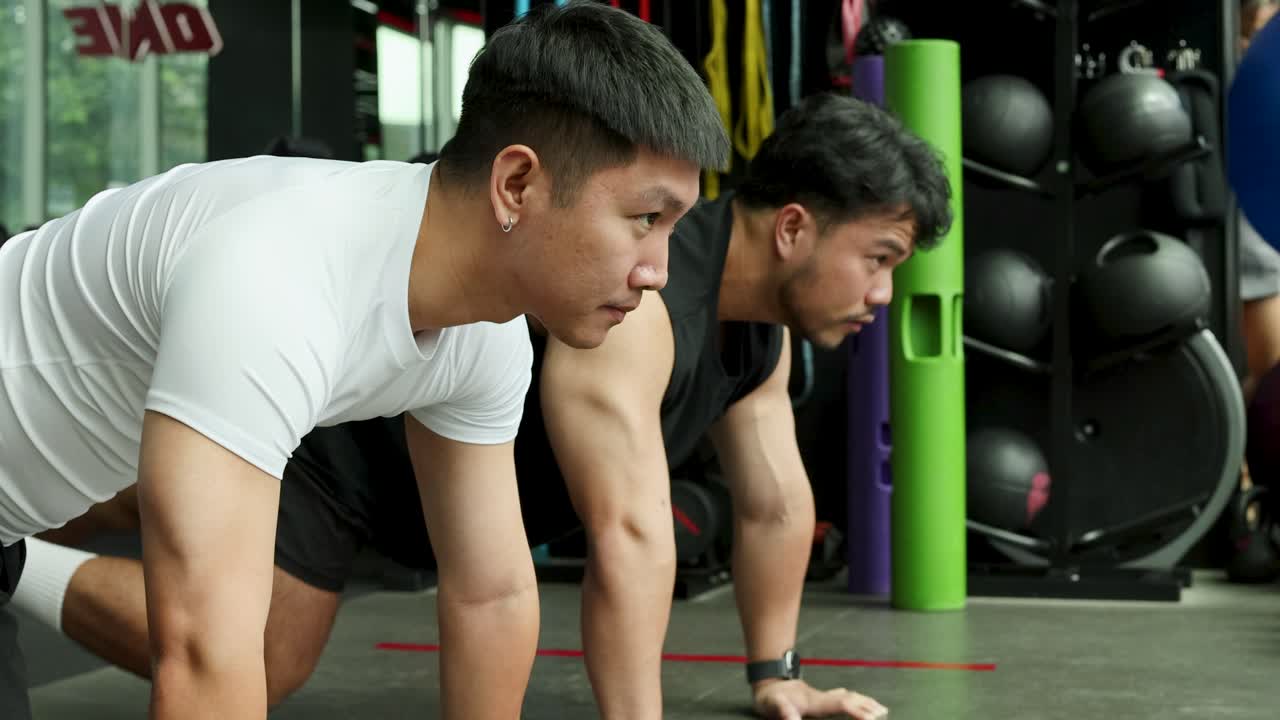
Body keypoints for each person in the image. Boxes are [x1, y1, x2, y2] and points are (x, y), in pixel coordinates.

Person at [20, 91, 949, 719]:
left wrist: (775, 674)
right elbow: (629, 534)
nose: (880, 297)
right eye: (880, 261)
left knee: (106, 485)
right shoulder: (642, 310)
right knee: (255, 650)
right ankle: (13, 560)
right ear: (794, 228)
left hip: (409, 461)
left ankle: (13, 543)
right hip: (339, 453)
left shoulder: (747, 339)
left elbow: (774, 501)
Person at [0, 2, 729, 718]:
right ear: (516, 185)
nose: (658, 270)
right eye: (644, 219)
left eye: (673, 228)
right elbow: (203, 661)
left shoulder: (485, 332)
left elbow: (491, 593)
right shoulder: (276, 279)